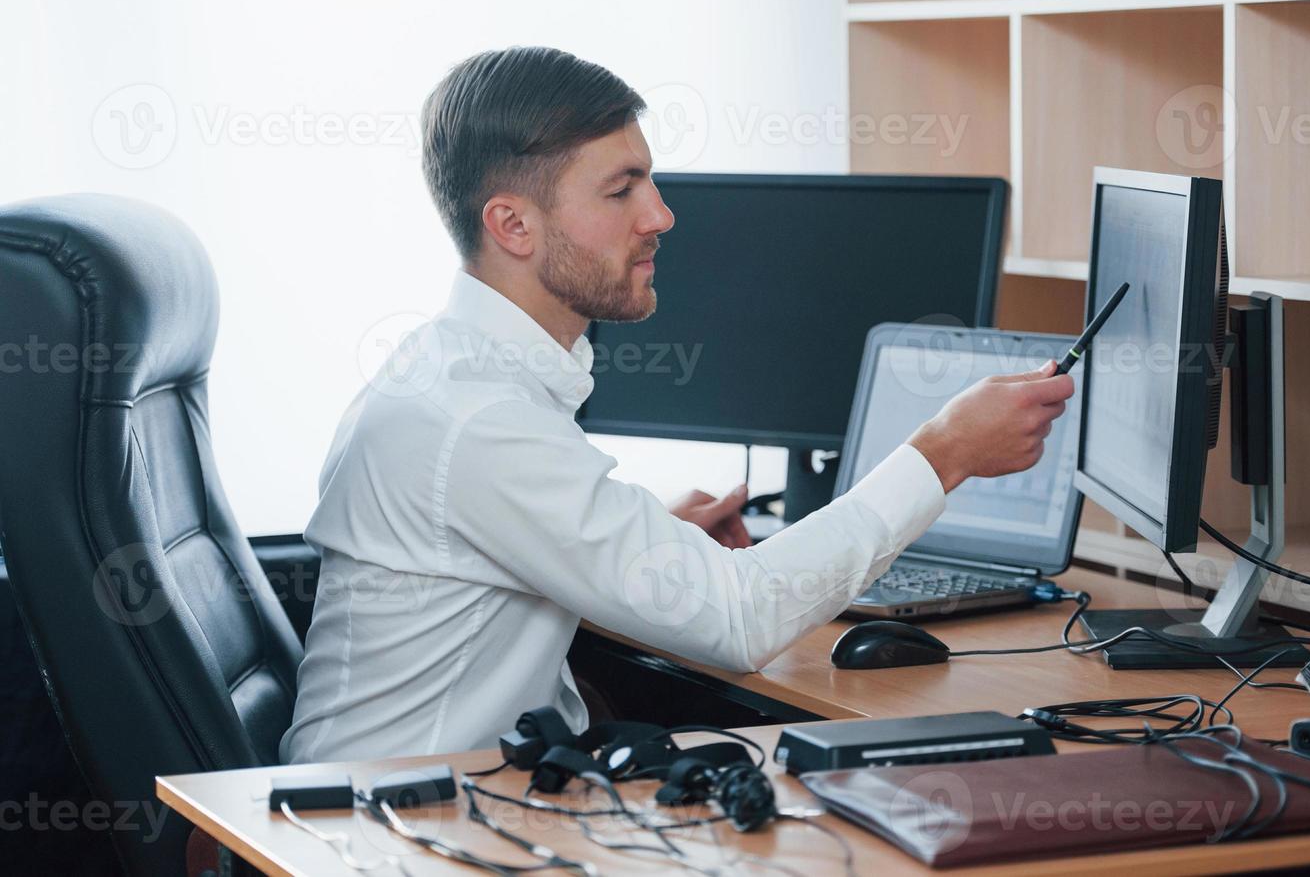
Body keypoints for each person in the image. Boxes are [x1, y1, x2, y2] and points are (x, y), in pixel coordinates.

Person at [281, 47, 1074, 763]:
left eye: (648, 181)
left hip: (459, 796)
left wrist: (648, 543)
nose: (660, 215)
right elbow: (740, 621)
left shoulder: (458, 372)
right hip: (392, 830)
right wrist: (944, 453)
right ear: (513, 224)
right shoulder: (475, 418)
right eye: (622, 190)